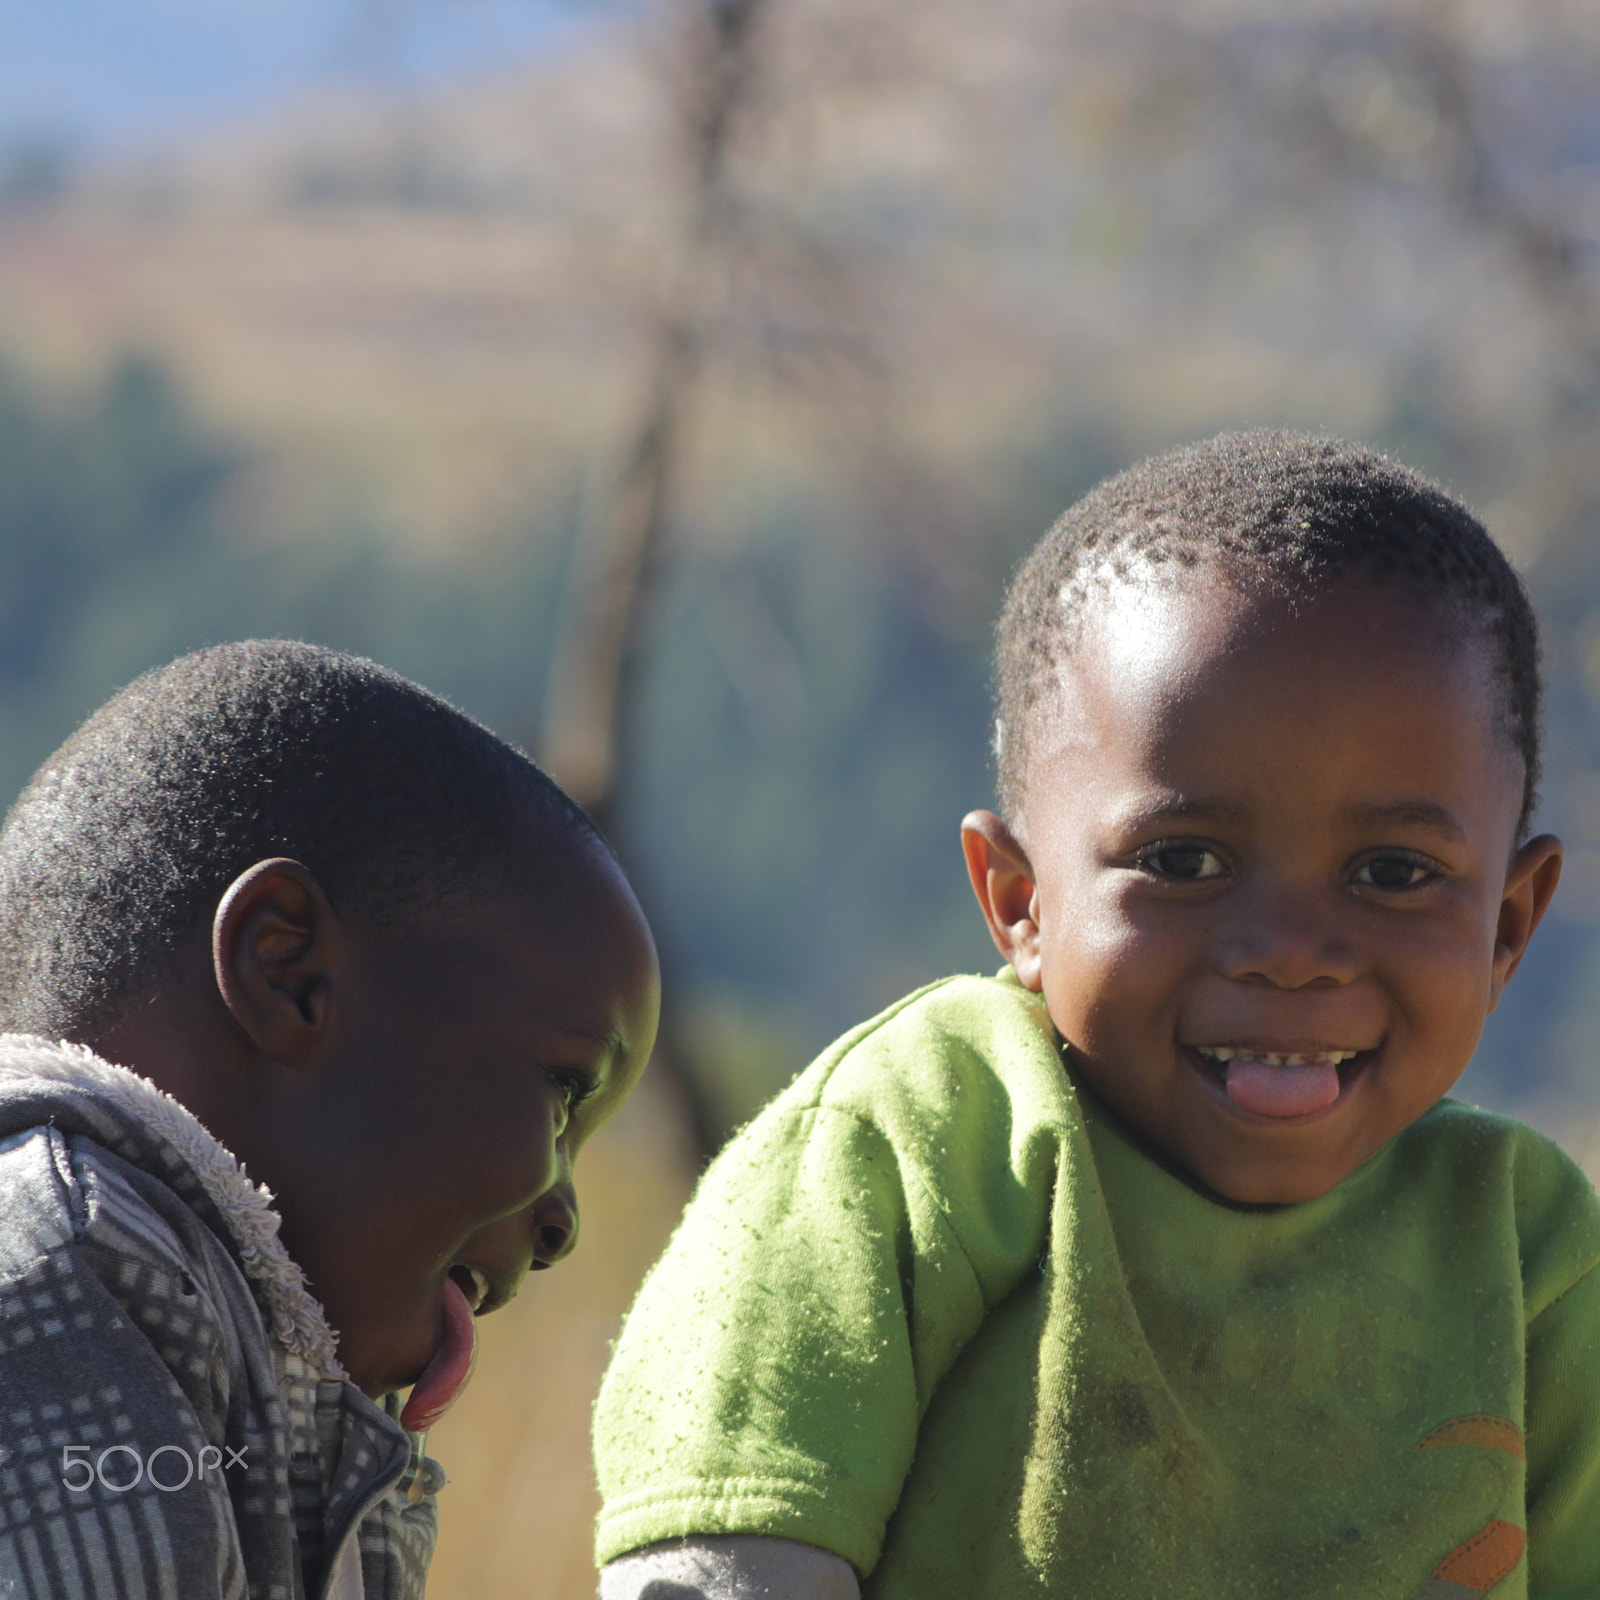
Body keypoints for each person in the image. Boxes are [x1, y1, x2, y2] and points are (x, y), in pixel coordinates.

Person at [592, 432, 1600, 1599]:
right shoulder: (928, 1138)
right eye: (1183, 859)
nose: (1289, 952)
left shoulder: (1525, 1249)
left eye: (1391, 873)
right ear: (1019, 902)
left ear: (1508, 927)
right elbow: (726, 1561)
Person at [0, 641, 659, 1599]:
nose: (563, 1223)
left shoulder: (227, 1371)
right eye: (563, 1096)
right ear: (288, 972)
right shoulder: (61, 1272)